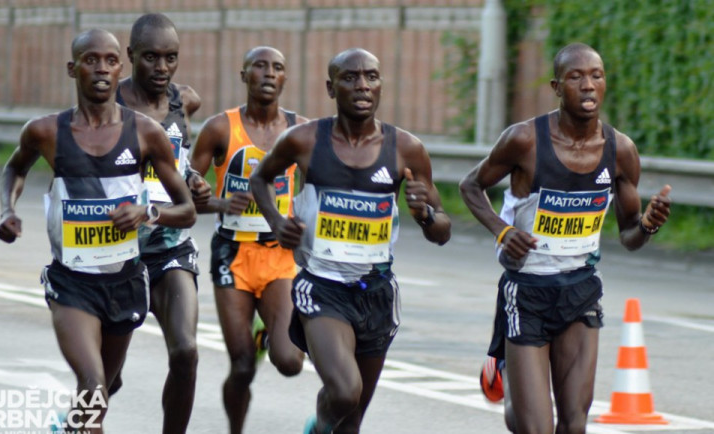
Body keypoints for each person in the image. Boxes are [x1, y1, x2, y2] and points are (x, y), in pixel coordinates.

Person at [459, 42, 671, 434]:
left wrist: (647, 225)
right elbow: (470, 185)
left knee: (574, 425)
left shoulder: (620, 150)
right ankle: (512, 379)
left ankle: (519, 388)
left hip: (580, 289)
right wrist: (503, 231)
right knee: (533, 428)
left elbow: (628, 234)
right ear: (557, 87)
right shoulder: (524, 140)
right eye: (576, 77)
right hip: (526, 291)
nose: (588, 85)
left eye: (596, 75)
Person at [0, 29, 196, 433]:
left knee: (100, 396)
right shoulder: (46, 131)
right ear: (73, 69)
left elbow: (187, 209)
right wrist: (6, 210)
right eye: (91, 60)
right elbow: (15, 167)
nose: (101, 68)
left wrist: (147, 212)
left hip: (124, 281)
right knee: (94, 385)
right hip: (72, 282)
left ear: (119, 68)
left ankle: (71, 427)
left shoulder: (145, 133)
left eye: (109, 60)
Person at [250, 47, 452, 434]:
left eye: (371, 77)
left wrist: (426, 213)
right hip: (322, 287)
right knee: (344, 391)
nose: (362, 85)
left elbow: (441, 232)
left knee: (353, 419)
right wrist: (276, 222)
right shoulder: (304, 140)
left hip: (376, 291)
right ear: (331, 87)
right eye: (350, 77)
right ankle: (317, 427)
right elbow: (261, 177)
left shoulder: (406, 149)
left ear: (380, 86)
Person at [188, 46, 307, 434]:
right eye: (260, 66)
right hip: (233, 253)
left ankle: (266, 336)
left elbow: (325, 186)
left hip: (280, 257)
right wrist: (221, 201)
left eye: (277, 68)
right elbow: (183, 192)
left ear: (285, 79)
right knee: (240, 367)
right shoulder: (221, 128)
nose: (269, 74)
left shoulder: (301, 130)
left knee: (289, 362)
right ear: (244, 76)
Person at [113, 13, 209, 434]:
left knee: (186, 351)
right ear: (131, 56)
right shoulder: (109, 104)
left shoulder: (183, 101)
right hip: (117, 254)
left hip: (170, 248)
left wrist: (193, 181)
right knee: (105, 376)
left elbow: (177, 163)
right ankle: (75, 421)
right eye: (150, 57)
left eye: (170, 58)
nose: (162, 68)